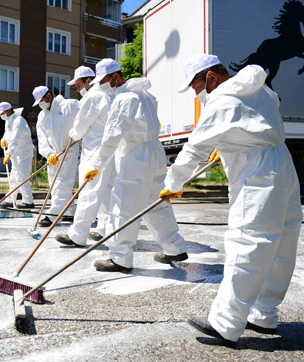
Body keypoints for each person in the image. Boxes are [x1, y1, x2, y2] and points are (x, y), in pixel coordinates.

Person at [161, 53, 302, 346]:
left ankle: (226, 323)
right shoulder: (261, 88)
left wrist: (172, 183)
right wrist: (229, 141)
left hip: (256, 175)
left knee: (246, 243)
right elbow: (260, 117)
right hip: (283, 165)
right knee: (281, 245)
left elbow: (194, 150)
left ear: (211, 77)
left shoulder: (222, 100)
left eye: (197, 86)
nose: (197, 93)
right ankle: (264, 314)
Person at [85, 58, 188, 272]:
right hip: (154, 154)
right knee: (156, 204)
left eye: (103, 80)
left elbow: (112, 136)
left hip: (134, 156)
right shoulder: (146, 95)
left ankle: (120, 258)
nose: (101, 85)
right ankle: (174, 247)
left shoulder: (125, 99)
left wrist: (96, 164)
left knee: (123, 206)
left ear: (115, 77)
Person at [54, 65, 115, 247]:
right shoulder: (109, 96)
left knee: (88, 192)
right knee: (106, 192)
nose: (78, 89)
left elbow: (79, 128)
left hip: (94, 152)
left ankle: (78, 235)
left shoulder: (93, 97)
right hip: (109, 153)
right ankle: (104, 229)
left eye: (79, 84)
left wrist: (72, 134)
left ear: (90, 81)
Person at [32, 86, 80, 227]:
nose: (41, 104)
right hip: (53, 156)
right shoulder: (42, 115)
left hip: (68, 151)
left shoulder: (70, 105)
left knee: (62, 184)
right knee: (54, 186)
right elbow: (42, 137)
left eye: (42, 100)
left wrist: (79, 136)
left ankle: (53, 216)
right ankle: (70, 212)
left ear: (48, 96)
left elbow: (85, 121)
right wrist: (48, 153)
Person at [0, 102, 34, 209]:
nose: (1, 115)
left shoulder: (19, 121)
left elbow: (15, 139)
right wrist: (3, 140)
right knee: (13, 177)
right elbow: (7, 134)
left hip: (23, 153)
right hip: (16, 152)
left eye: (2, 113)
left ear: (9, 111)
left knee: (22, 176)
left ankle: (28, 201)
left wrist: (8, 153)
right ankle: (10, 199)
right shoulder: (9, 121)